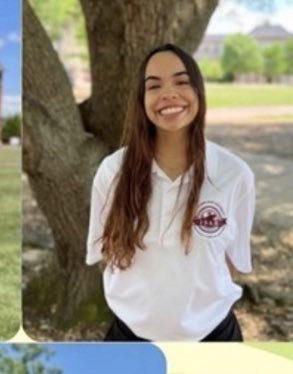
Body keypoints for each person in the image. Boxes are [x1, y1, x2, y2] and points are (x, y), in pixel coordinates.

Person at [87, 43, 254, 341]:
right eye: (154, 86)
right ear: (142, 99)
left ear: (199, 92)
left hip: (214, 338)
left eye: (181, 81)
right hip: (131, 340)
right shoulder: (112, 172)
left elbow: (231, 263)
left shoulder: (235, 174)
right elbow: (105, 253)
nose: (169, 93)